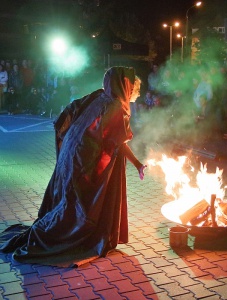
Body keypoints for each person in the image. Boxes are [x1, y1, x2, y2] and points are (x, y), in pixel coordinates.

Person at [0, 66, 147, 267]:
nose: (133, 94)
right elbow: (118, 142)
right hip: (82, 160)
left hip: (71, 155)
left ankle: (59, 228)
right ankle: (67, 235)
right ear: (126, 87)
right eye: (133, 89)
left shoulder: (99, 96)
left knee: (70, 198)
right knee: (77, 204)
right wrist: (138, 164)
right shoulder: (115, 106)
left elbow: (69, 112)